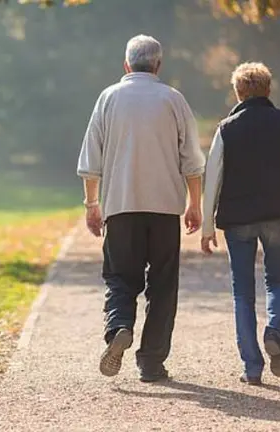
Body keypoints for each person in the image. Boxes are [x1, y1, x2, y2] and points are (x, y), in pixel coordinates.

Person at [77, 35, 205, 382]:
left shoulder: (108, 98)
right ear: (158, 65)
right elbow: (192, 161)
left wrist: (92, 204)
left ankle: (119, 326)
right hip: (165, 209)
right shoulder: (173, 99)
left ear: (126, 65)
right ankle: (151, 362)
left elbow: (91, 161)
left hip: (120, 206)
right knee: (163, 285)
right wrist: (195, 204)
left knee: (120, 277)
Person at [201, 62, 280, 386]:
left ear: (238, 92)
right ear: (268, 89)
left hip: (238, 219)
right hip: (279, 214)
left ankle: (252, 368)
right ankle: (274, 332)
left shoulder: (226, 129)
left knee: (242, 293)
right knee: (278, 281)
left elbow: (212, 177)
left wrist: (207, 226)